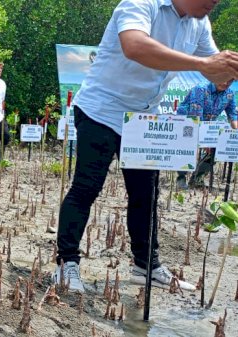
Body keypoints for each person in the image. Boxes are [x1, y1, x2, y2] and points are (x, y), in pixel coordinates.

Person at [55, 0, 238, 294]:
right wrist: (203, 64)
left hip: (141, 119)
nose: (215, 2)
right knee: (87, 186)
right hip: (100, 111)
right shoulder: (141, 4)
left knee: (146, 193)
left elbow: (215, 71)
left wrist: (227, 66)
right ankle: (66, 264)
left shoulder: (199, 23)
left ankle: (146, 266)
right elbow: (135, 46)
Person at [176, 80, 237, 189]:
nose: (225, 82)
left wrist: (236, 128)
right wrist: (205, 141)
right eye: (224, 78)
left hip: (207, 126)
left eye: (230, 80)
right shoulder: (200, 89)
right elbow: (196, 116)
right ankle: (181, 178)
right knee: (187, 149)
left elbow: (233, 114)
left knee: (216, 150)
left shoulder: (229, 94)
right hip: (187, 122)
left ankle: (197, 178)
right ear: (216, 75)